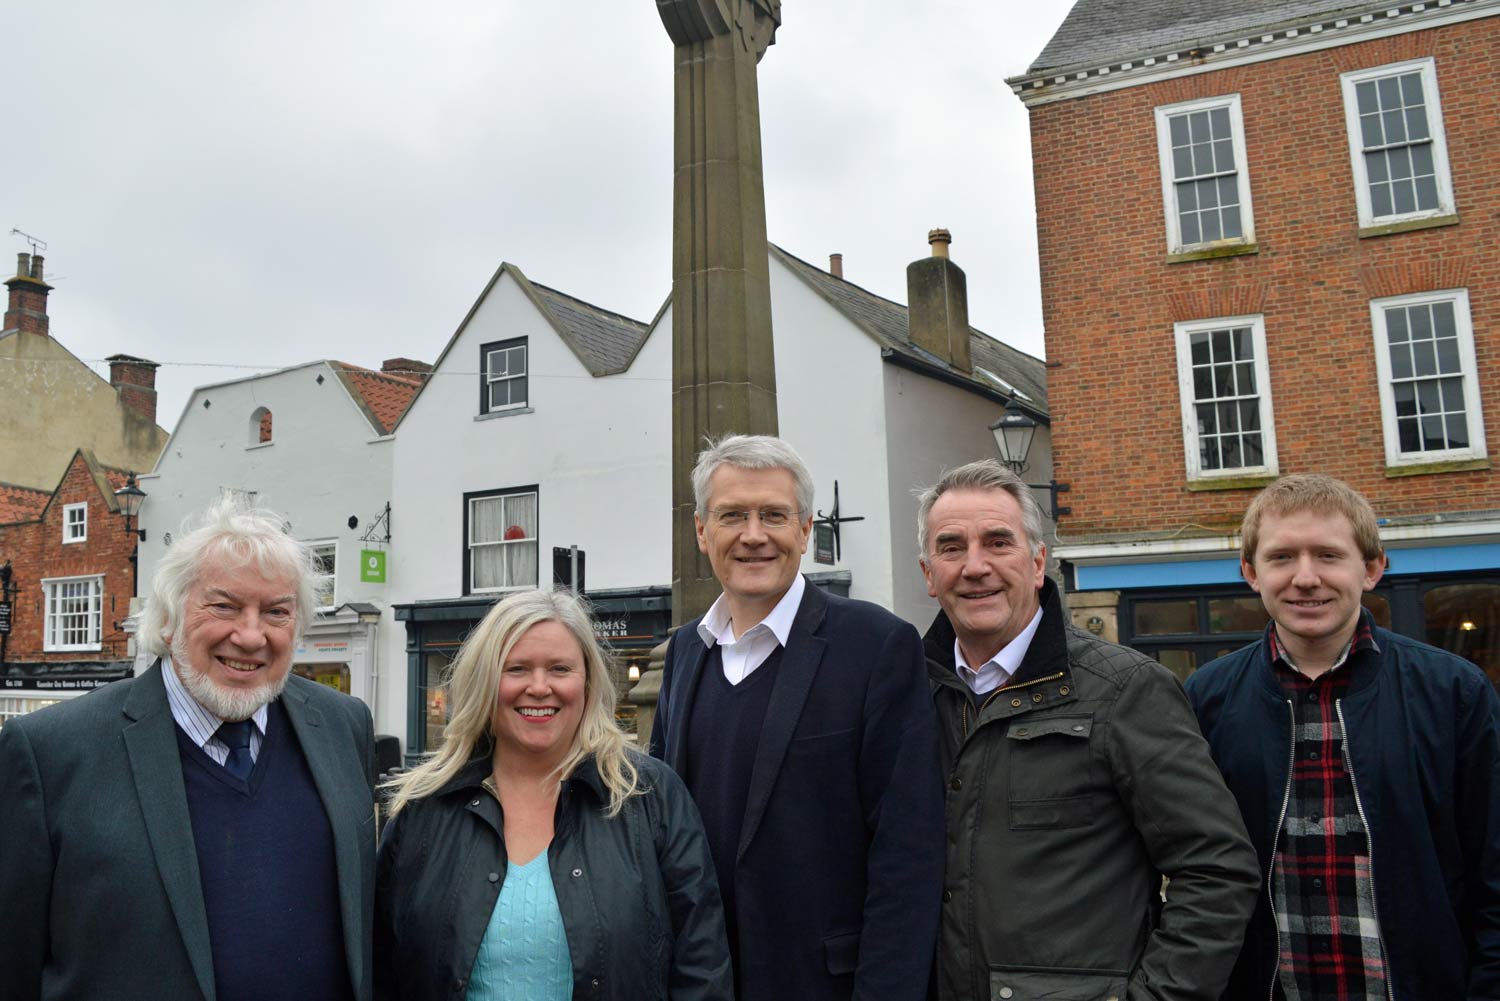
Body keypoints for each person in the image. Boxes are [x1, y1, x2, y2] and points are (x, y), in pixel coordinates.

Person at [0, 496, 377, 1001]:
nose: (250, 635)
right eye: (222, 606)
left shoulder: (343, 724)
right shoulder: (49, 751)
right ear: (168, 620)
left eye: (276, 612)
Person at [916, 459, 1260, 1001]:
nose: (974, 566)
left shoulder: (1126, 691)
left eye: (998, 542)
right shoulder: (905, 694)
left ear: (1037, 562)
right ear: (928, 574)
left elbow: (1216, 870)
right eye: (952, 547)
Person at [650, 434, 944, 1001]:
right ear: (701, 531)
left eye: (775, 516)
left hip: (824, 985)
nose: (754, 535)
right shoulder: (686, 650)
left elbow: (908, 853)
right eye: (733, 515)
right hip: (700, 981)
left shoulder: (876, 645)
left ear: (805, 530)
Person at [1185, 474, 1500, 1000]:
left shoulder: (1454, 691)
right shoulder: (1206, 698)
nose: (1305, 578)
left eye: (1328, 555)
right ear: (1250, 573)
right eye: (1282, 557)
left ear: (1372, 568)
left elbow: (1493, 866)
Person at [374, 588, 731, 1001]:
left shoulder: (651, 797)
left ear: (588, 681)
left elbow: (702, 969)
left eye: (560, 669)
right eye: (517, 669)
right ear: (485, 682)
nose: (539, 687)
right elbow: (384, 970)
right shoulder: (424, 809)